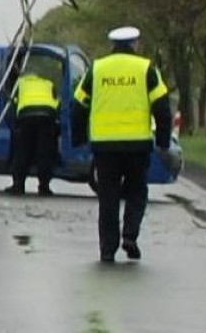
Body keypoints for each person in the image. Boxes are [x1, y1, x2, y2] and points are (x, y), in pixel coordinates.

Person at [71, 26, 172, 263]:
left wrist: (79, 138)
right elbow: (162, 106)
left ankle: (107, 249)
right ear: (135, 44)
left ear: (112, 45)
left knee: (108, 197)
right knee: (137, 191)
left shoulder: (97, 69)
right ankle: (130, 236)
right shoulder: (146, 69)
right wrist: (163, 141)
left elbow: (78, 105)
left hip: (105, 147)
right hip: (137, 146)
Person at [5, 70, 59, 196]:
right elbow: (57, 101)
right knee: (44, 153)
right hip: (47, 116)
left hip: (26, 115)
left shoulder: (20, 83)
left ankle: (18, 185)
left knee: (22, 151)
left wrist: (14, 124)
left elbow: (13, 102)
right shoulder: (48, 83)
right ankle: (44, 187)